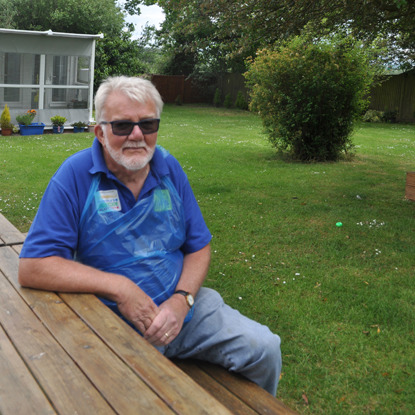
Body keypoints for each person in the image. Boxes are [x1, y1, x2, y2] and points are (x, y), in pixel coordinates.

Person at [18, 76, 282, 395]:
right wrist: (120, 288)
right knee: (136, 395)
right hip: (110, 320)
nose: (138, 135)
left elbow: (199, 247)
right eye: (122, 126)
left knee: (264, 348)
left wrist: (182, 300)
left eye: (148, 124)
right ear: (100, 132)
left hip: (181, 313)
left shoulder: (167, 167)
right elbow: (34, 265)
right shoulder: (74, 176)